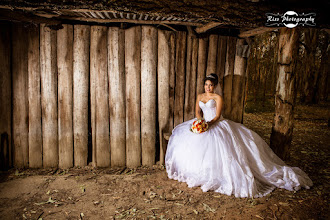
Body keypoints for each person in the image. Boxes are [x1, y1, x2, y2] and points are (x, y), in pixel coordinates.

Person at [165, 73, 312, 198]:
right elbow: (198, 111)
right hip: (202, 122)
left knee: (224, 149)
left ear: (214, 86)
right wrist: (199, 121)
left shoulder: (217, 98)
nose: (207, 87)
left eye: (210, 85)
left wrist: (208, 124)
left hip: (215, 124)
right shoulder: (200, 96)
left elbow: (217, 116)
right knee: (189, 143)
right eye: (206, 85)